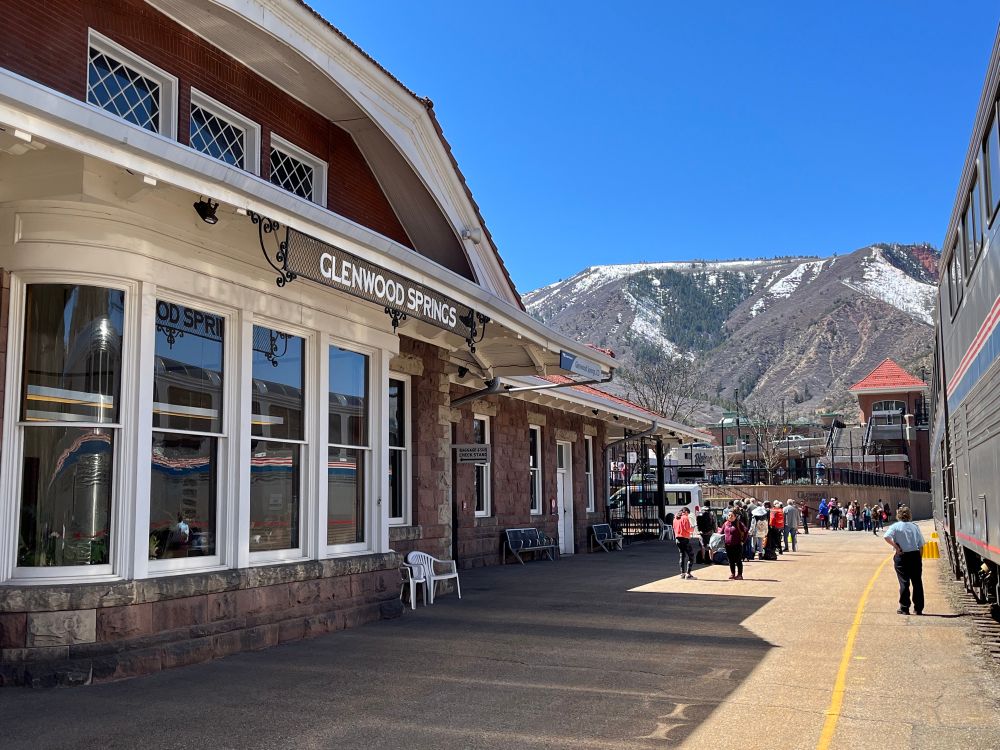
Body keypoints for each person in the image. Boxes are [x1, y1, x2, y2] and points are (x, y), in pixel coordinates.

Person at [883, 506, 925, 615]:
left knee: (904, 582)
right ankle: (918, 608)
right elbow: (921, 545)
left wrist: (896, 547)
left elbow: (886, 536)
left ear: (898, 515)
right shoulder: (915, 527)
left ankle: (904, 607)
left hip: (902, 556)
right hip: (915, 555)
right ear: (909, 515)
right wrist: (919, 558)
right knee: (917, 582)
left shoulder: (895, 526)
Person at [722, 511, 747, 580]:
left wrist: (743, 541)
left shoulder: (739, 523)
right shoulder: (726, 524)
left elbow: (746, 532)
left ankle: (740, 575)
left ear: (735, 517)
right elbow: (721, 532)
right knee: (731, 560)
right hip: (728, 545)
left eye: (732, 515)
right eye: (729, 515)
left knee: (738, 559)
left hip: (737, 545)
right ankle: (732, 574)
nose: (730, 517)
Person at [673, 507, 695, 579]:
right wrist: (692, 528)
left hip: (677, 539)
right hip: (684, 538)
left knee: (682, 556)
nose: (688, 515)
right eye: (688, 513)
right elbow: (688, 528)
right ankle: (688, 574)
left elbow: (674, 528)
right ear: (685, 512)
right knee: (691, 556)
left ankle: (682, 573)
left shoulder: (675, 518)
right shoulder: (685, 517)